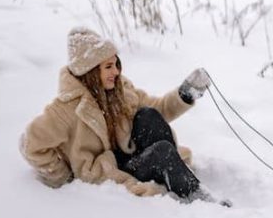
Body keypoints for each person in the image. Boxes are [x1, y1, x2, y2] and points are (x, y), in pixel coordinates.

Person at [20, 27, 215, 202]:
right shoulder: (67, 109)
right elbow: (31, 144)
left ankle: (176, 175)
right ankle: (196, 197)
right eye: (108, 67)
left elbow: (159, 109)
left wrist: (186, 93)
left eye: (116, 64)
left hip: (131, 156)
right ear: (90, 71)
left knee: (148, 115)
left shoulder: (120, 89)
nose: (116, 71)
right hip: (110, 172)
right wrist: (64, 176)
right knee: (162, 151)